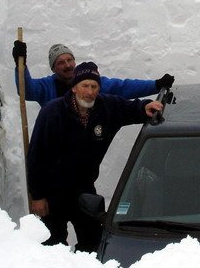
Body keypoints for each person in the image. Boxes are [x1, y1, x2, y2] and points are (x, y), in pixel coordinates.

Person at [27, 62, 163, 251]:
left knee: (93, 243)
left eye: (94, 86)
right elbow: (36, 156)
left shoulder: (106, 107)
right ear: (74, 87)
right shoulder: (52, 112)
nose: (89, 92)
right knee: (52, 245)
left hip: (84, 191)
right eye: (85, 86)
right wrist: (38, 196)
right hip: (52, 194)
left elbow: (130, 109)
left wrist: (145, 107)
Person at [13, 40, 173, 106]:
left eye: (70, 60)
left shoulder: (89, 83)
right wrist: (21, 65)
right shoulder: (46, 87)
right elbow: (27, 90)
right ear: (53, 68)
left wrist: (156, 85)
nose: (67, 65)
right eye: (61, 62)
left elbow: (122, 88)